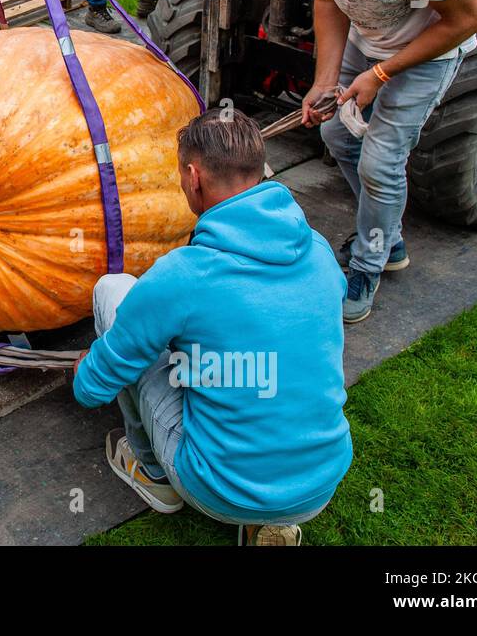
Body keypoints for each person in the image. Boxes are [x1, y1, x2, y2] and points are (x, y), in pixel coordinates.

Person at [74, 109, 352, 546]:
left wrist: (86, 372)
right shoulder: (316, 249)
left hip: (220, 489)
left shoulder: (183, 274)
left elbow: (93, 388)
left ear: (193, 175)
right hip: (320, 482)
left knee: (113, 291)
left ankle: (154, 475)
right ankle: (272, 521)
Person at [261, 0, 477, 323]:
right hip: (368, 36)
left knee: (380, 163)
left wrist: (381, 74)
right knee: (337, 137)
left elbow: (466, 20)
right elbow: (327, 0)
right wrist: (325, 81)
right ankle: (387, 237)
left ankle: (368, 265)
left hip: (427, 51)